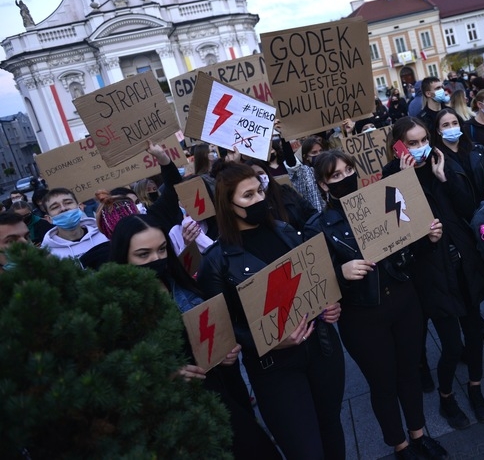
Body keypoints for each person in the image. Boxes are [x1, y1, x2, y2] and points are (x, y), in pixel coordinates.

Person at [305, 151, 449, 460]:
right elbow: (315, 286)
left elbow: (409, 247)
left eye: (349, 170)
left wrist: (429, 238)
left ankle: (419, 435)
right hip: (362, 316)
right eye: (335, 175)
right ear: (323, 184)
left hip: (404, 300)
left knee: (409, 372)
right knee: (383, 382)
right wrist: (340, 275)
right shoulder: (318, 227)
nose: (345, 177)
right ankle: (400, 445)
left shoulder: (380, 199)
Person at [197, 161, 345, 459]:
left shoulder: (285, 230)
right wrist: (268, 339)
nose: (259, 199)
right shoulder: (216, 261)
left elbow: (314, 280)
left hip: (322, 349)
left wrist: (330, 304)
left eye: (259, 190)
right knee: (306, 450)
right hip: (274, 370)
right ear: (227, 205)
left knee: (331, 429)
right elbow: (222, 327)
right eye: (247, 196)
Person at [110, 214, 281, 460]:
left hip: (220, 393)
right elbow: (117, 375)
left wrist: (225, 348)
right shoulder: (115, 309)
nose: (156, 260)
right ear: (123, 256)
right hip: (176, 416)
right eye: (143, 254)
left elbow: (211, 331)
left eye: (161, 250)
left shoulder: (179, 284)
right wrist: (165, 373)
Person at [383, 117, 484, 430]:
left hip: (462, 264)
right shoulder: (391, 177)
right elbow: (397, 231)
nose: (420, 148)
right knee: (452, 345)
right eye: (413, 142)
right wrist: (407, 182)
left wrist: (444, 178)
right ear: (399, 146)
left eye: (423, 140)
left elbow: (467, 205)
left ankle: (475, 389)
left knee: (473, 336)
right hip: (431, 272)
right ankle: (447, 398)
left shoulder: (440, 162)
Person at [431, 108, 484, 332]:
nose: (451, 128)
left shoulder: (476, 150)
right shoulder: (436, 159)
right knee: (471, 273)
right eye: (445, 125)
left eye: (454, 123)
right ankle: (478, 320)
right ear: (437, 131)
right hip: (461, 223)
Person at [40, 188, 109, 267]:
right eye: (55, 207)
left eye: (68, 203)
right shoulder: (48, 253)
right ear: (49, 219)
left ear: (80, 207)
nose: (63, 208)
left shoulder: (105, 234)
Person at [247, 158, 317, 232]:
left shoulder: (285, 190)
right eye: (253, 176)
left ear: (267, 173)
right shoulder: (254, 205)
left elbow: (310, 211)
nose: (259, 178)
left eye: (260, 173)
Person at [288, 136, 327, 212]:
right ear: (306, 157)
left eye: (321, 151)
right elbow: (292, 164)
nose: (319, 154)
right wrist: (284, 138)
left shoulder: (330, 168)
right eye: (314, 152)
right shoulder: (304, 173)